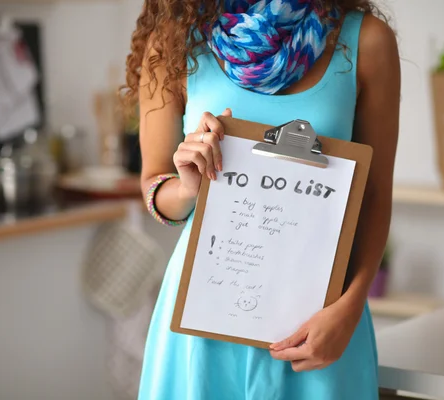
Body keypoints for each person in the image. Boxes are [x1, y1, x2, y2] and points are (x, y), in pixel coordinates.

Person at [123, 0, 400, 398]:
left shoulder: (367, 41)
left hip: (322, 321)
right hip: (204, 318)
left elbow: (374, 194)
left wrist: (350, 308)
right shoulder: (173, 40)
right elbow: (154, 183)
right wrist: (186, 188)